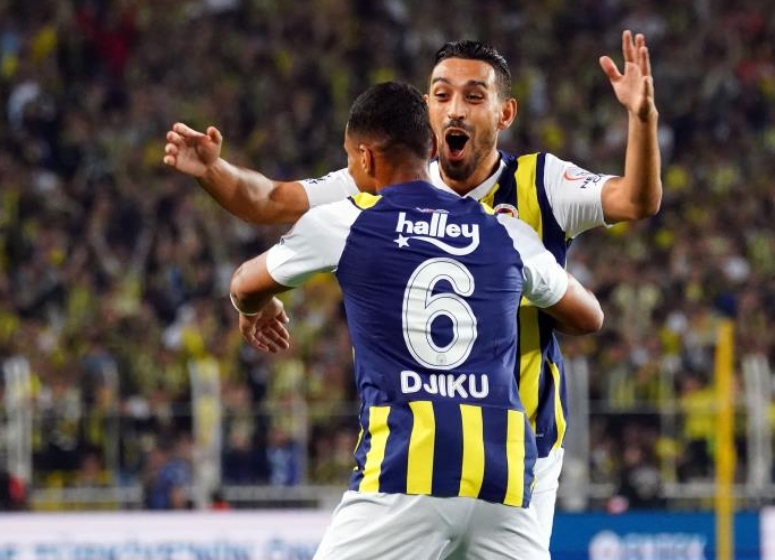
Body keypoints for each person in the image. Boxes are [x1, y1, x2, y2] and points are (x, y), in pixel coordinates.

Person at [164, 30, 660, 540]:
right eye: (442, 95)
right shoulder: (386, 179)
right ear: (426, 109)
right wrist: (213, 170)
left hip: (523, 444)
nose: (455, 110)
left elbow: (636, 200)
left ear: (505, 114)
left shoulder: (541, 183)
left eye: (474, 97)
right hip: (429, 447)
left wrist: (641, 118)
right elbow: (270, 199)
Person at [229, 81, 603, 559]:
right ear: (430, 149)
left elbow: (244, 283)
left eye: (349, 158)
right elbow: (589, 316)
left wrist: (256, 310)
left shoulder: (348, 221)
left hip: (406, 473)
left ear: (365, 157)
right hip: (504, 481)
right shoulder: (506, 231)